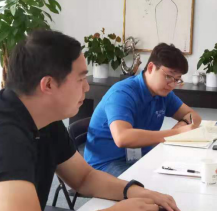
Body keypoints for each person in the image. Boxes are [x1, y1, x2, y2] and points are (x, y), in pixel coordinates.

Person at [0, 30, 182, 211]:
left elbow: (84, 177)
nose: (87, 87)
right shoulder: (0, 134)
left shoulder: (44, 119)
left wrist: (136, 191)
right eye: (81, 78)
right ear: (48, 85)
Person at [84, 43, 202, 177]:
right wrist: (176, 133)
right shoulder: (122, 93)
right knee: (155, 184)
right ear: (151, 67)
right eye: (168, 76)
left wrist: (182, 125)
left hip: (140, 157)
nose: (172, 85)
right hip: (106, 164)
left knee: (186, 172)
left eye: (177, 79)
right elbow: (122, 138)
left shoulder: (163, 93)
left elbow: (193, 116)